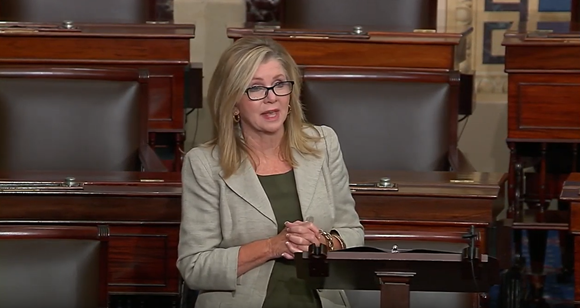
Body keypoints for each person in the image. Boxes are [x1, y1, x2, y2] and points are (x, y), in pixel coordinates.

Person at [177, 36, 364, 308]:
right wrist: (274, 246)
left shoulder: (323, 144)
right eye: (255, 88)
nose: (271, 97)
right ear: (233, 103)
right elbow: (195, 267)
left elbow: (353, 233)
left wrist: (321, 242)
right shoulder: (204, 163)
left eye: (279, 84)